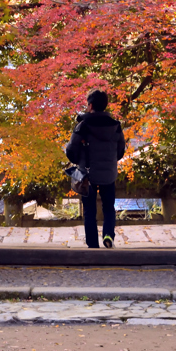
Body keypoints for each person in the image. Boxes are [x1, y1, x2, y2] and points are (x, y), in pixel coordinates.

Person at [65, 90, 126, 248]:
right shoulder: (116, 126)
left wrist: (79, 161)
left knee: (89, 211)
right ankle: (108, 235)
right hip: (109, 174)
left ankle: (93, 244)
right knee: (108, 208)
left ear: (90, 105)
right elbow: (120, 151)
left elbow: (71, 150)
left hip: (87, 174)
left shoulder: (83, 126)